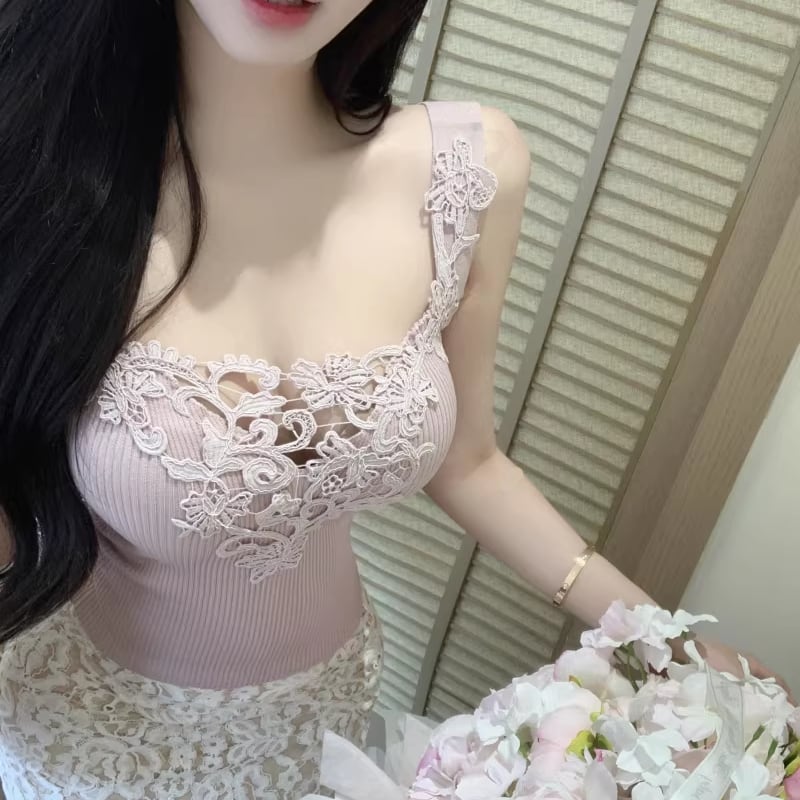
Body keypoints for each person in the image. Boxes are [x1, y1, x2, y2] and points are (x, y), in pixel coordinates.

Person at [0, 1, 788, 797]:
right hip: (93, 731)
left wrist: (662, 638)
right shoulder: (37, 170)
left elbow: (470, 463)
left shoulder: (463, 171)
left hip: (323, 704)